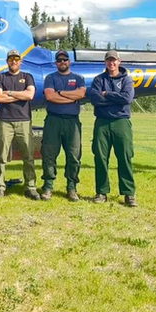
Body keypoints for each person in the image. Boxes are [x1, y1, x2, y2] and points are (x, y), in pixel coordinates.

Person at [89, 49, 137, 206]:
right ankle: (101, 192)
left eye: (114, 60)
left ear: (119, 61)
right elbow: (95, 99)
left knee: (125, 157)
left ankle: (129, 193)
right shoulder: (98, 79)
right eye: (108, 60)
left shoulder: (127, 80)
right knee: (101, 157)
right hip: (102, 122)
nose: (111, 63)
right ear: (105, 62)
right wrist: (115, 100)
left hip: (121, 122)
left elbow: (127, 98)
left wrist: (106, 94)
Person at [0, 49, 40, 199]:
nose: (14, 62)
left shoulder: (27, 77)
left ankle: (30, 187)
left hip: (24, 121)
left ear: (21, 61)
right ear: (7, 61)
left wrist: (10, 93)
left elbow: (30, 95)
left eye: (16, 59)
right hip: (5, 121)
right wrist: (20, 96)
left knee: (28, 155)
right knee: (1, 156)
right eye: (11, 59)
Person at [40, 50, 86, 201]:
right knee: (49, 154)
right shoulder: (50, 77)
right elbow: (50, 96)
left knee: (74, 155)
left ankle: (72, 187)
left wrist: (60, 94)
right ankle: (48, 186)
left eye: (64, 60)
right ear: (56, 63)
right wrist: (69, 97)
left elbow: (80, 94)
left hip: (72, 121)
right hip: (53, 120)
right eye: (59, 60)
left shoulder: (78, 78)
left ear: (69, 61)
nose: (62, 62)